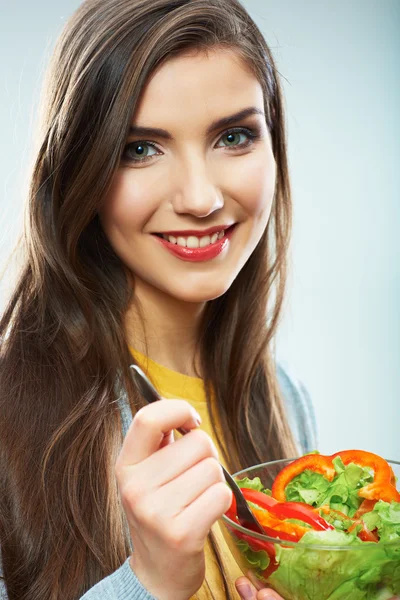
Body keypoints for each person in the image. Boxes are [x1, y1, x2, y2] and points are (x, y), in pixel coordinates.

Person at [0, 0, 319, 599]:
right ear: (78, 173)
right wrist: (146, 585)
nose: (200, 197)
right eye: (140, 148)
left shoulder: (285, 403)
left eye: (234, 136)